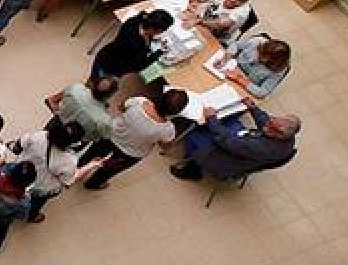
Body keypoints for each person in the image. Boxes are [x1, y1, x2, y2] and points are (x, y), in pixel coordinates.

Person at [80, 89, 188, 190]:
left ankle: (78, 170)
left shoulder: (139, 101)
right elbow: (165, 146)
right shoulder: (167, 129)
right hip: (130, 154)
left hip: (111, 135)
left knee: (92, 153)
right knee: (110, 169)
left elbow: (121, 107)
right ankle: (93, 183)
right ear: (176, 113)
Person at [171, 99, 300, 182]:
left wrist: (211, 118)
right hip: (244, 147)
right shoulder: (287, 136)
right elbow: (266, 123)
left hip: (226, 160)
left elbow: (225, 140)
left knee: (192, 131)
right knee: (229, 120)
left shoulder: (261, 147)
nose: (267, 123)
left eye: (271, 125)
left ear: (279, 134)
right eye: (272, 119)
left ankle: (193, 168)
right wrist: (253, 108)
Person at [12, 117, 90, 222]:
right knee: (36, 203)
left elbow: (18, 146)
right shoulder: (69, 161)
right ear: (73, 143)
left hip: (20, 171)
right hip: (41, 187)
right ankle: (31, 216)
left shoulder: (39, 135)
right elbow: (67, 182)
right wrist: (91, 165)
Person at [91, 8, 175, 81]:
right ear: (152, 29)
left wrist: (151, 38)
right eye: (161, 31)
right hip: (111, 66)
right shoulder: (135, 45)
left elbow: (143, 19)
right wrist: (160, 52)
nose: (161, 33)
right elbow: (139, 66)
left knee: (96, 79)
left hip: (107, 53)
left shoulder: (137, 20)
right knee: (98, 83)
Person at [47, 75, 119, 144]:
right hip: (71, 145)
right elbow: (99, 138)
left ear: (95, 83)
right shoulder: (105, 121)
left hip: (52, 127)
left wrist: (59, 114)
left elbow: (51, 100)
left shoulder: (75, 88)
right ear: (110, 95)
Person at [188, 0, 256, 45]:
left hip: (218, 39)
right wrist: (194, 1)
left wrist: (199, 21)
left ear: (245, 1)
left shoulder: (243, 12)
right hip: (202, 25)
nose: (233, 0)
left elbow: (219, 24)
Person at [225, 36, 292, 98]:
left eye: (267, 59)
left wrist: (239, 79)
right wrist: (227, 57)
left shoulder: (279, 69)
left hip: (243, 85)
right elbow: (235, 45)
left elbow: (263, 92)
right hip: (231, 67)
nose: (260, 59)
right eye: (261, 53)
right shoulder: (257, 41)